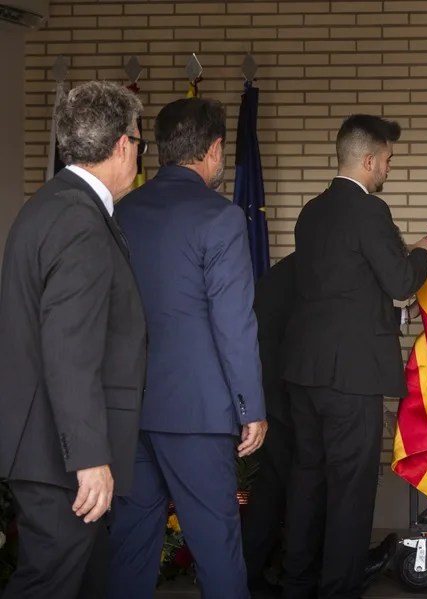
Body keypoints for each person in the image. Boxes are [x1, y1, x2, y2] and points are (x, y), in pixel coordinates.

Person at [106, 98, 267, 599]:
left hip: (130, 408)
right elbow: (233, 322)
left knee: (130, 545)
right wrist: (251, 407)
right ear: (215, 150)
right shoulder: (219, 219)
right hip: (196, 414)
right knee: (217, 546)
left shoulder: (120, 212)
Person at [280, 114, 427, 599]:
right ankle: (339, 589)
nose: (389, 170)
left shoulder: (312, 211)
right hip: (350, 375)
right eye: (388, 161)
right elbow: (398, 282)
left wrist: (401, 256)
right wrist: (425, 257)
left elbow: (344, 281)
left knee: (308, 480)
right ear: (368, 160)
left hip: (303, 370)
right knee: (351, 491)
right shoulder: (370, 210)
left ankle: (297, 582)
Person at [0, 80, 147, 599]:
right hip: (59, 457)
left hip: (47, 448)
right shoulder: (78, 219)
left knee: (81, 582)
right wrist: (88, 458)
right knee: (48, 585)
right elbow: (69, 348)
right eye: (138, 141)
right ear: (123, 145)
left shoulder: (54, 204)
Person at [241, 253, 398, 597]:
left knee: (282, 481)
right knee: (302, 483)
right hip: (286, 381)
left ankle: (265, 571)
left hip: (270, 378)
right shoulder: (330, 268)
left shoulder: (299, 264)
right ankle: (302, 571)